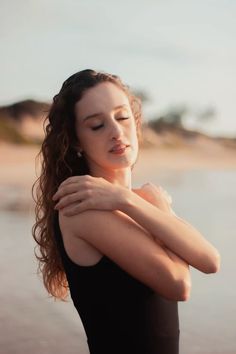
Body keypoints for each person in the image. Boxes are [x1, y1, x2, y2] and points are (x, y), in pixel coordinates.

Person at [32, 69, 220, 354]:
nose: (117, 132)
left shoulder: (136, 202)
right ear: (77, 141)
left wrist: (136, 202)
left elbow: (210, 260)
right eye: (97, 125)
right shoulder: (81, 209)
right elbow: (179, 285)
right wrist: (142, 204)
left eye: (122, 117)